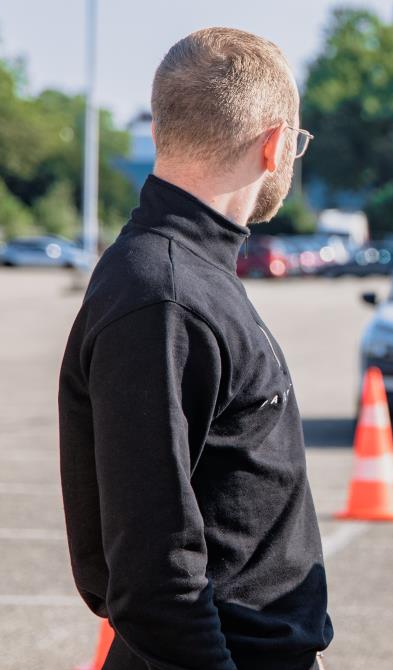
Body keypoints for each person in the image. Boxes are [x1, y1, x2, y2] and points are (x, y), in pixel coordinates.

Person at [58, 28, 331, 669]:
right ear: (277, 145)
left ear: (160, 131)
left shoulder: (186, 277)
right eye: (298, 145)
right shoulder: (164, 296)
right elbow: (155, 577)